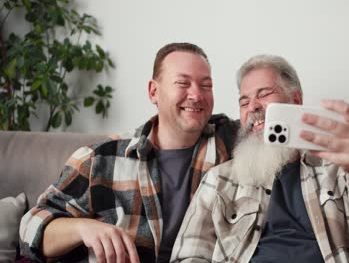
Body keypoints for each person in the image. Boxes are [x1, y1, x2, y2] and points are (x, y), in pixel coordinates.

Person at [170, 55, 349, 263]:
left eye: (263, 94)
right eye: (244, 102)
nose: (252, 106)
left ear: (295, 101)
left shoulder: (338, 166)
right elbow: (189, 255)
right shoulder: (219, 180)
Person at [19, 43, 238, 263]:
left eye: (206, 85)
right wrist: (82, 228)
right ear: (154, 92)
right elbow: (31, 228)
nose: (197, 95)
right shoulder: (100, 159)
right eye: (183, 83)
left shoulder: (231, 143)